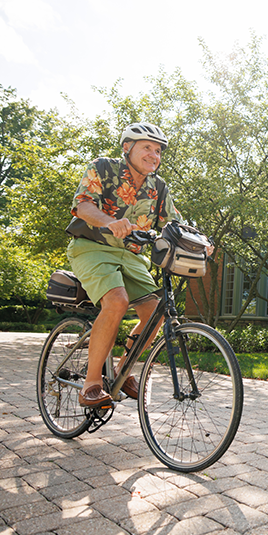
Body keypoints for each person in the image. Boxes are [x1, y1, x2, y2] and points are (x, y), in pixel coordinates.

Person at [66, 122, 181, 408]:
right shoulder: (103, 168)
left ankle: (122, 371)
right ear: (127, 148)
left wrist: (199, 239)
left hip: (131, 255)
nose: (154, 155)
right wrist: (109, 221)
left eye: (158, 151)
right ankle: (91, 384)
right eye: (147, 147)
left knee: (155, 311)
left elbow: (173, 223)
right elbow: (82, 205)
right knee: (117, 301)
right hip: (93, 246)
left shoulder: (159, 187)